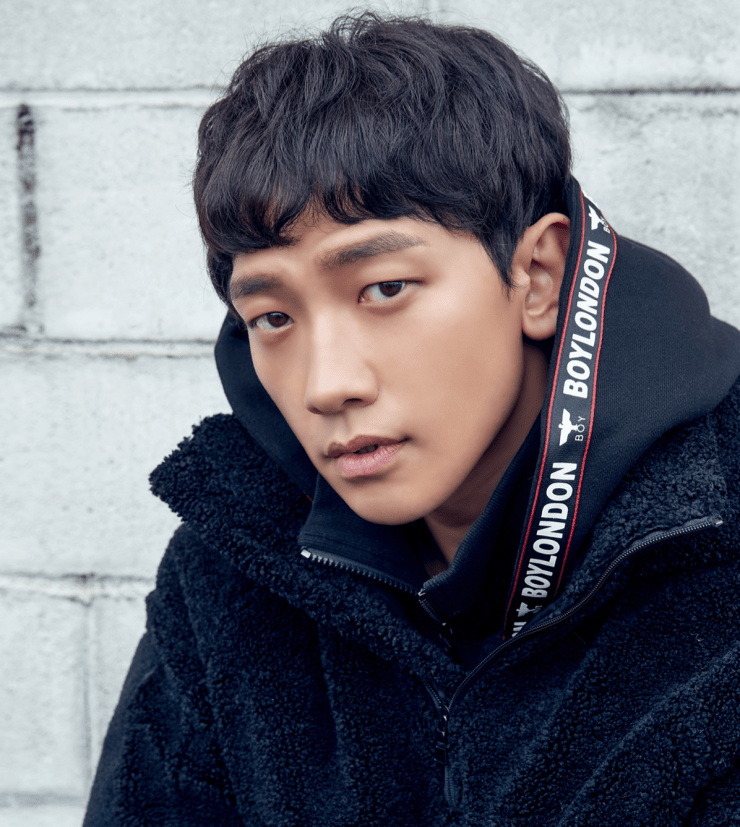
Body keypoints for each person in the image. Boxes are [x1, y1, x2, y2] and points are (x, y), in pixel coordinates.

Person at [84, 13, 740, 826]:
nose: (327, 384)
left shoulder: (715, 548)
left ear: (537, 276)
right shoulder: (229, 571)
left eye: (384, 289)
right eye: (273, 317)